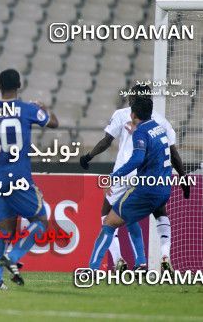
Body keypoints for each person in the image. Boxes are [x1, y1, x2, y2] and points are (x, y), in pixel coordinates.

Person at [80, 84, 189, 273]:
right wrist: (183, 177)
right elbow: (173, 153)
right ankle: (158, 257)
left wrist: (89, 157)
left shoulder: (124, 115)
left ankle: (116, 260)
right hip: (156, 180)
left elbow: (107, 141)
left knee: (108, 216)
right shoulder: (160, 122)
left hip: (128, 173)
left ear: (134, 102)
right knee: (155, 214)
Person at [0, 69, 59, 289]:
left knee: (4, 230)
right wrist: (44, 109)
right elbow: (54, 123)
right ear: (19, 86)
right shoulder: (26, 109)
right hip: (17, 175)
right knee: (40, 220)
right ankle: (14, 255)